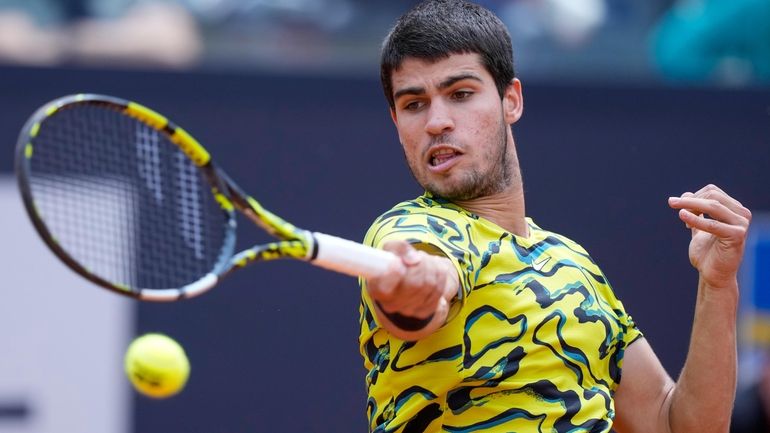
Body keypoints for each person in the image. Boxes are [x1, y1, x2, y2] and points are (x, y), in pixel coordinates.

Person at [358, 1, 752, 432]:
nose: (436, 122)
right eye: (414, 104)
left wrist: (718, 285)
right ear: (396, 122)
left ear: (511, 100)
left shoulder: (574, 265)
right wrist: (416, 288)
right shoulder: (408, 231)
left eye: (461, 94)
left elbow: (677, 426)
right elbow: (423, 288)